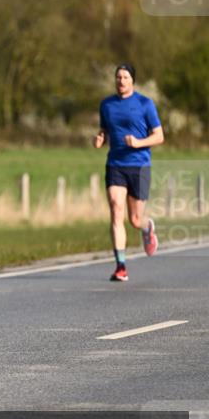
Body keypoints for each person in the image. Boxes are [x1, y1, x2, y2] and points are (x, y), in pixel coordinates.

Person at [94, 63, 164, 282]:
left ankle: (147, 226)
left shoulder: (145, 104)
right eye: (118, 77)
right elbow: (105, 130)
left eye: (125, 77)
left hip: (139, 165)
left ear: (132, 80)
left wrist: (138, 143)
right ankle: (121, 266)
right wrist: (100, 138)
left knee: (134, 219)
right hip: (115, 164)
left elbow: (159, 136)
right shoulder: (107, 105)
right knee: (116, 208)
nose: (121, 81)